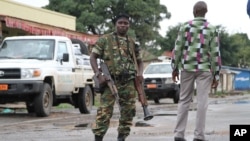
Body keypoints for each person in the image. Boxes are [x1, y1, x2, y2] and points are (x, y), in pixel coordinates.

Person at [171, 1, 221, 141]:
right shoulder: (212, 29)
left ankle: (179, 134)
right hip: (204, 69)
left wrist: (174, 68)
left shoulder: (185, 27)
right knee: (202, 102)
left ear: (194, 12)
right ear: (206, 12)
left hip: (187, 68)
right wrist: (216, 75)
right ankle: (199, 136)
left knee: (184, 100)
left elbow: (178, 49)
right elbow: (215, 54)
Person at [90, 13, 144, 141]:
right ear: (116, 24)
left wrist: (140, 73)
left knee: (128, 112)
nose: (123, 25)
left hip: (129, 82)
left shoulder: (132, 42)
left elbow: (140, 61)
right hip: (110, 81)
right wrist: (98, 74)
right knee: (104, 112)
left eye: (126, 23)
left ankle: (122, 137)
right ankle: (98, 138)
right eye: (120, 23)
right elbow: (93, 57)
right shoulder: (105, 39)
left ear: (129, 25)